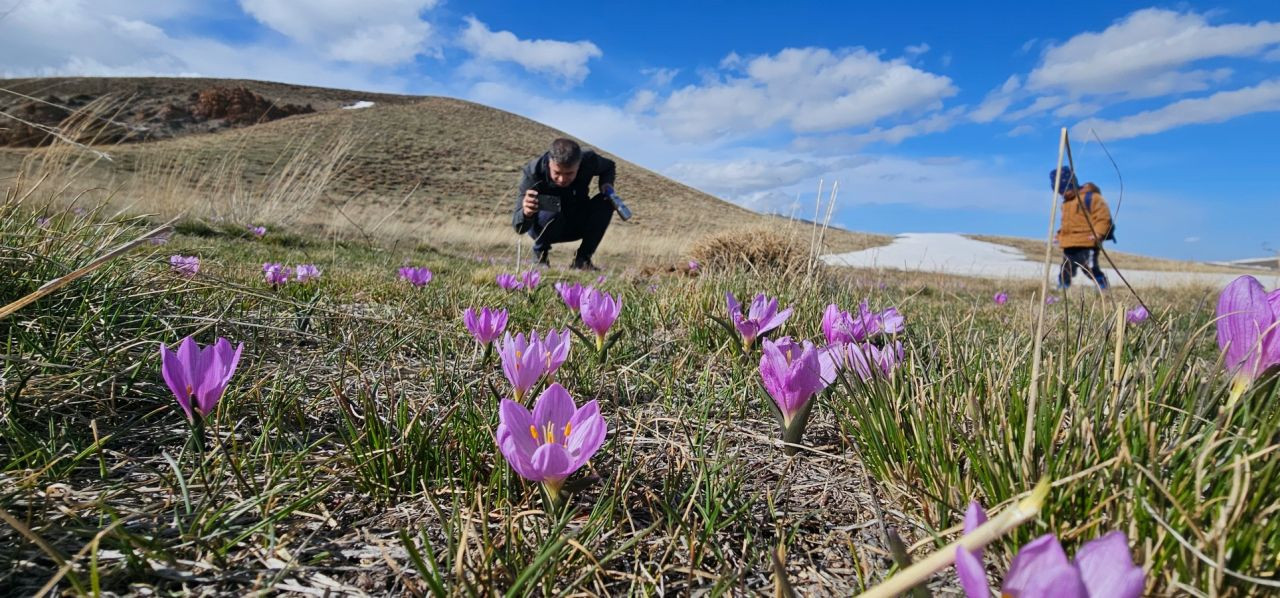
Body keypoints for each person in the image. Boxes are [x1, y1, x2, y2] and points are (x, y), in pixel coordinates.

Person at [513, 138, 619, 270]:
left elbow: (609, 166)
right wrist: (526, 213)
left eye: (569, 173)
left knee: (606, 201)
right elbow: (519, 227)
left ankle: (582, 260)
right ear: (549, 163)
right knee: (551, 203)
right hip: (544, 226)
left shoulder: (589, 159)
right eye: (557, 173)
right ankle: (540, 257)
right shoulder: (533, 172)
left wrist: (606, 184)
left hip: (576, 222)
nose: (562, 179)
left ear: (579, 164)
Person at [1051, 166, 1113, 290]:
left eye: (1065, 189)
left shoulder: (1092, 198)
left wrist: (1098, 233)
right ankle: (1063, 286)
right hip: (1069, 243)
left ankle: (1102, 285)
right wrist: (1059, 236)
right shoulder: (1066, 203)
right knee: (1066, 267)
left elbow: (1103, 217)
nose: (1063, 193)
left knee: (1089, 267)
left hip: (1088, 241)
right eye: (1060, 191)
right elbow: (1066, 224)